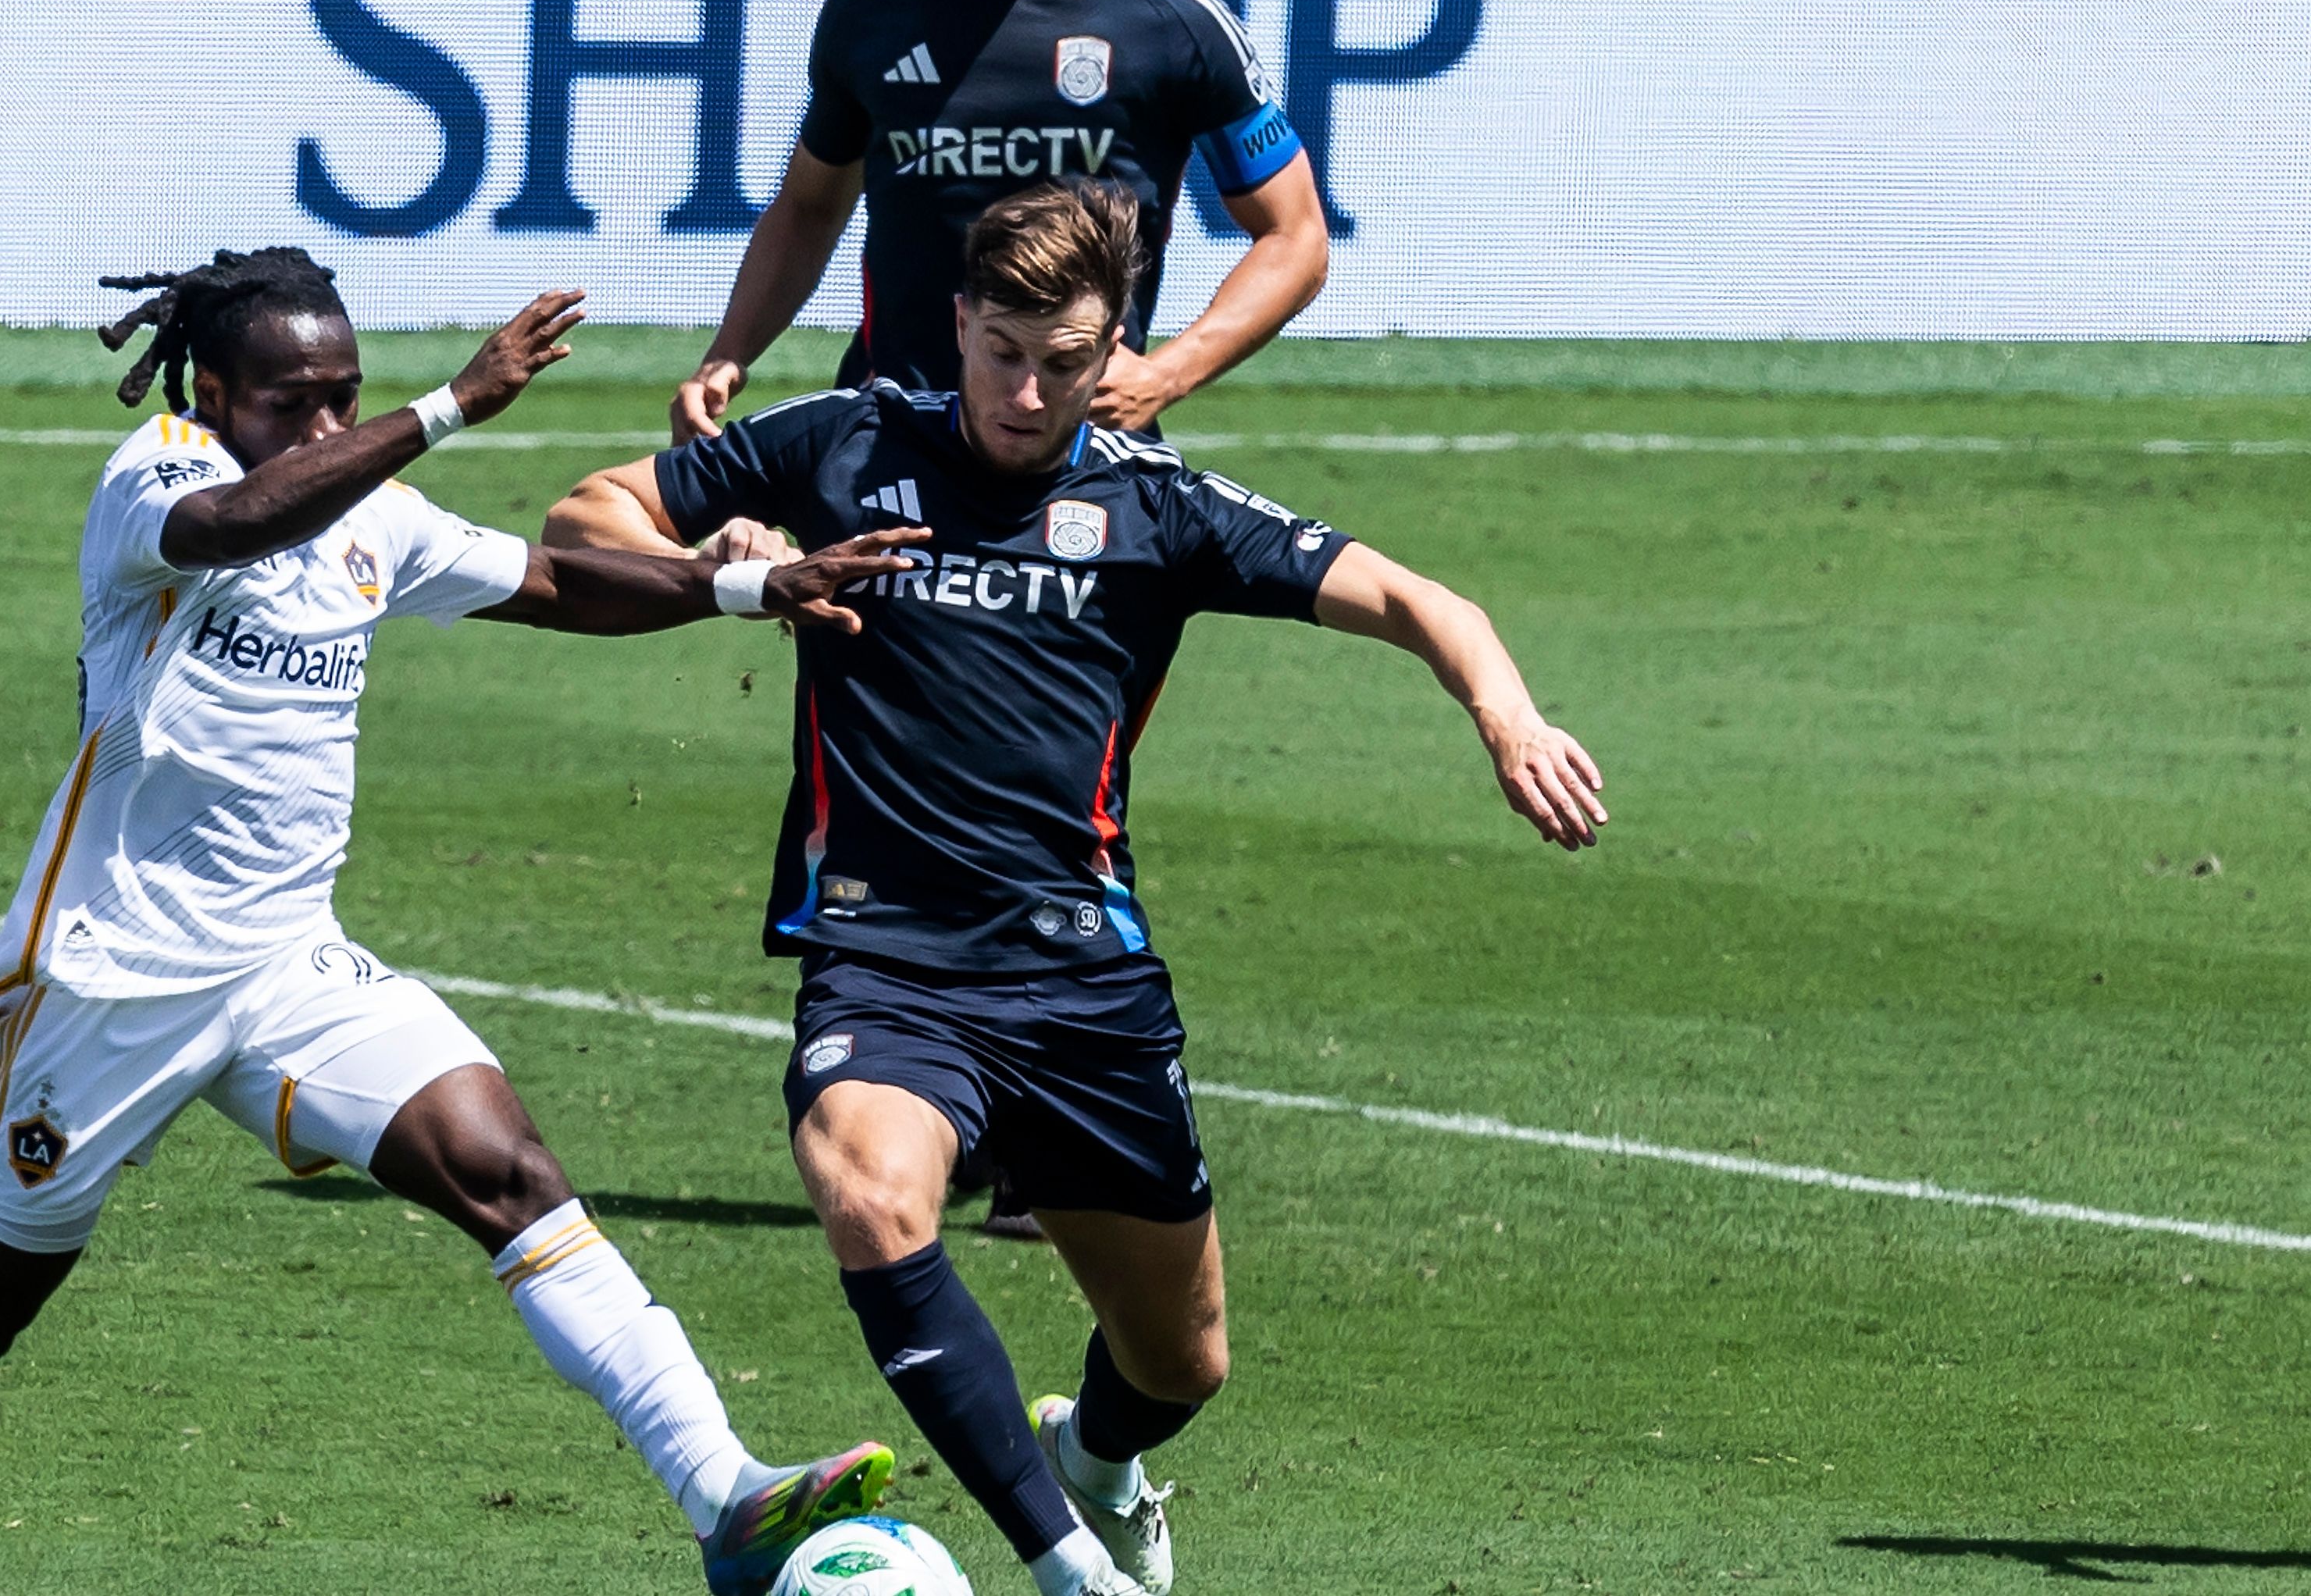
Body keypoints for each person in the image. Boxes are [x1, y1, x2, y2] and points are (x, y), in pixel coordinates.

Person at [0, 249, 924, 1596]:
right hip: (113, 979)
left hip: (289, 967)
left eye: (346, 396)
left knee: (510, 1171)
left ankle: (723, 1499)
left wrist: (743, 589)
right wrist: (446, 407)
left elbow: (556, 581)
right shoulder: (154, 482)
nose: (330, 427)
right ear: (211, 392)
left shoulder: (369, 514)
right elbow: (238, 525)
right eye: (294, 401)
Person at [547, 183, 1609, 1596]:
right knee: (871, 1195)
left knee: (1182, 1362)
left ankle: (1097, 1460)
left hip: (1081, 980)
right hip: (889, 962)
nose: (1030, 390)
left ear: (1112, 347)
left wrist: (1509, 719)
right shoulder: (849, 441)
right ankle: (1070, 1570)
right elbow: (586, 513)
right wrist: (716, 558)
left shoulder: (1154, 502)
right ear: (960, 326)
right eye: (1004, 353)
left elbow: (1427, 603)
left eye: (1068, 361)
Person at [669, 0, 1328, 446]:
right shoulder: (870, 8)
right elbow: (808, 210)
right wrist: (729, 353)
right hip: (894, 430)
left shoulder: (1177, 19)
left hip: (1083, 445)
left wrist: (1169, 373)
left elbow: (1296, 236)